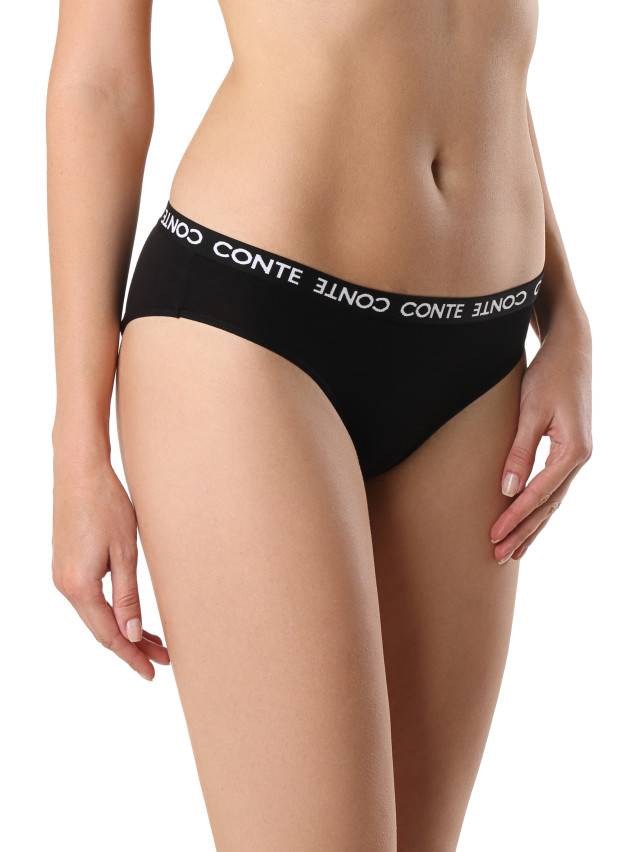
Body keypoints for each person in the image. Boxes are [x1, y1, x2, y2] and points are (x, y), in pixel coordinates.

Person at [47, 2, 592, 849]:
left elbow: (479, 56)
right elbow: (99, 82)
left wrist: (565, 318)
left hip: (482, 358)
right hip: (252, 327)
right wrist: (78, 450)